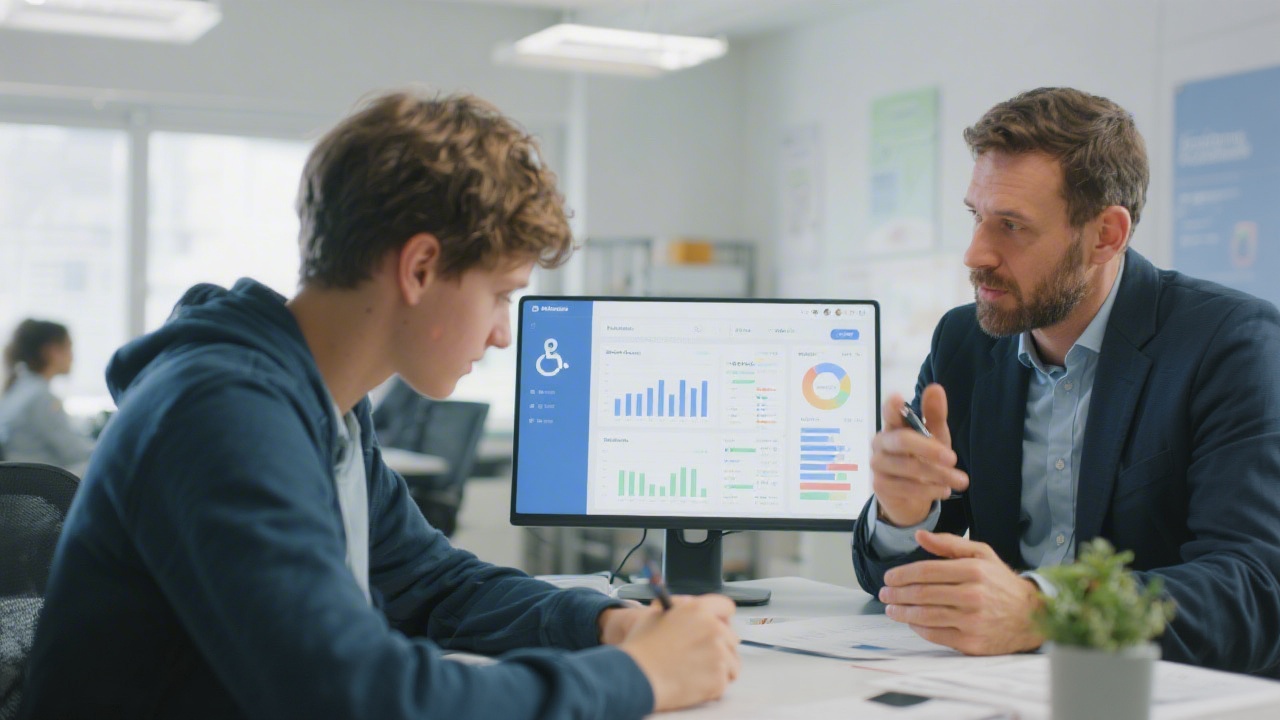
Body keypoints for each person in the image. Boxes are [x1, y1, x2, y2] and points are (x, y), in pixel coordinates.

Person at [21, 90, 740, 719]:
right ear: (420, 266)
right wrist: (638, 677)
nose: (501, 333)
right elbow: (355, 698)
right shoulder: (222, 414)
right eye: (500, 295)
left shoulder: (324, 405)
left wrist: (603, 624)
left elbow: (430, 584)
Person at [851, 87, 1280, 676]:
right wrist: (904, 515)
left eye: (1011, 226)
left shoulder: (1232, 343)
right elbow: (898, 582)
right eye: (976, 217)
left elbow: (1252, 589)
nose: (976, 253)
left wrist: (1044, 611)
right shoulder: (965, 343)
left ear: (1105, 234)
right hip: (1004, 692)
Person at [0, 319, 94, 473]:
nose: (72, 357)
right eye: (69, 348)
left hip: (27, 485)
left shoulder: (18, 388)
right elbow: (74, 452)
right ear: (51, 351)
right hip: (43, 488)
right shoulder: (41, 398)